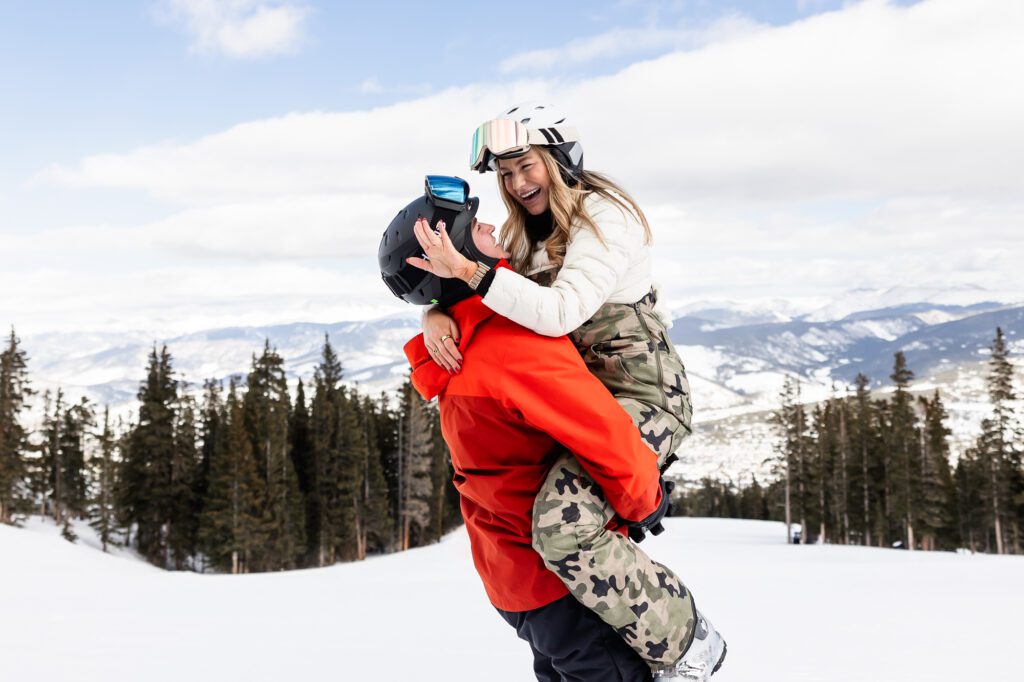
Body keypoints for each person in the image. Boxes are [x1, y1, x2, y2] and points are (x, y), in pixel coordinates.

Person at [406, 104, 719, 675]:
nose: (517, 184)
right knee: (549, 530)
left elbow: (560, 311)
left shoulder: (606, 216)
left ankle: (684, 639)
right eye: (504, 174)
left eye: (526, 166)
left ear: (559, 158)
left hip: (644, 397)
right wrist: (438, 309)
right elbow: (493, 298)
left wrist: (471, 276)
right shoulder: (522, 236)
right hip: (579, 401)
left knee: (562, 524)